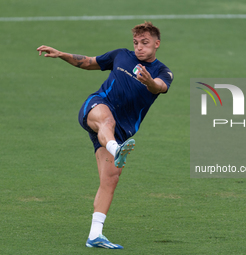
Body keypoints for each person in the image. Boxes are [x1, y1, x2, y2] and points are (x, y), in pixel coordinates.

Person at [37, 21, 174, 249]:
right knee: (106, 120)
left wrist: (149, 81)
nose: (139, 47)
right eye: (136, 43)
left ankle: (95, 235)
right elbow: (88, 62)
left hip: (122, 130)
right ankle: (115, 148)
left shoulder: (162, 71)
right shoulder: (121, 56)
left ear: (157, 44)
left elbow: (160, 86)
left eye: (145, 43)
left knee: (110, 179)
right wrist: (61, 54)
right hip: (97, 107)